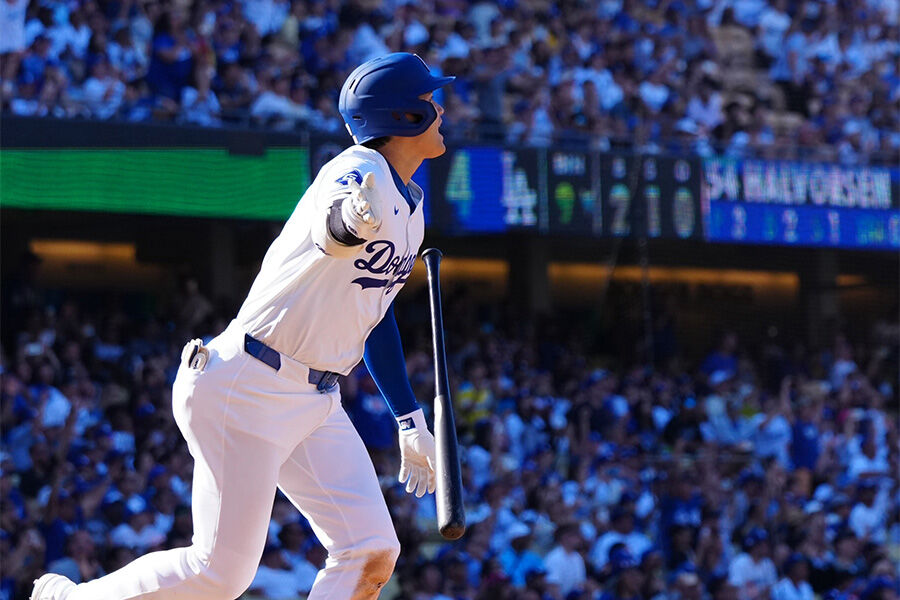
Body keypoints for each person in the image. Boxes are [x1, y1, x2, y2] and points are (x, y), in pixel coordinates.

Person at [31, 51, 455, 600]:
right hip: (248, 382)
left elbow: (373, 313)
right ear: (402, 116)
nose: (441, 110)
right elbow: (336, 227)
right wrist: (350, 220)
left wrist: (408, 417)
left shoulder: (412, 207)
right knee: (220, 574)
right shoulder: (358, 170)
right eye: (429, 100)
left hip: (315, 399)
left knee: (371, 548)